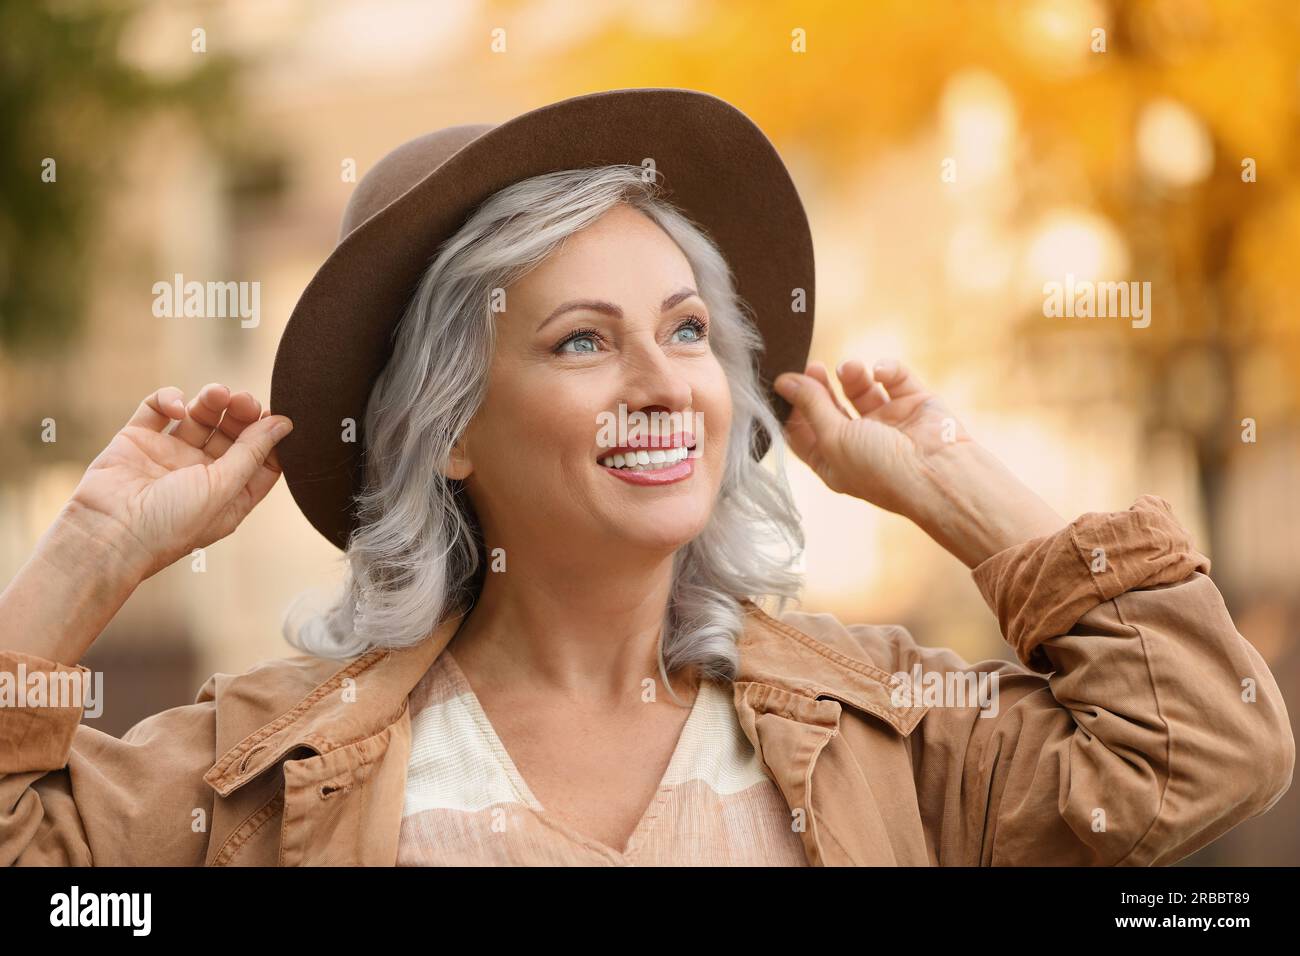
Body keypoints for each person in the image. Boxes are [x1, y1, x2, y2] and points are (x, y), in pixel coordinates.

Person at [1, 90, 1292, 866]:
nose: (666, 382)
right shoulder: (263, 779)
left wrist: (958, 489)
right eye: (580, 342)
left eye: (686, 332)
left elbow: (1208, 747)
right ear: (450, 428)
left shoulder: (891, 735)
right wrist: (92, 552)